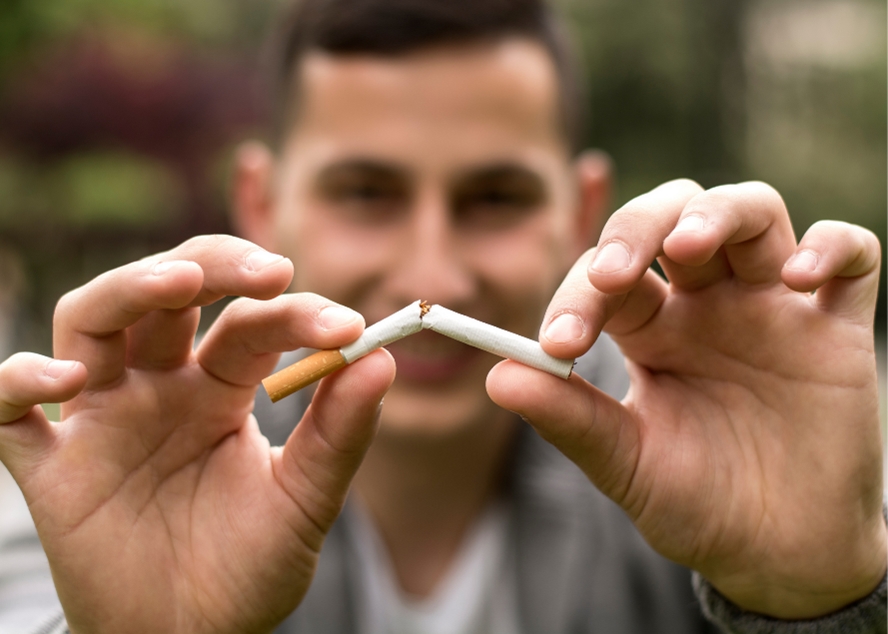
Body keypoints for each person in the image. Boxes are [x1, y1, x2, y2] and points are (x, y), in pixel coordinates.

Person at [0, 0, 885, 632]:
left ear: (583, 214)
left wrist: (814, 597)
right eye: (366, 193)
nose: (431, 274)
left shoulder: (710, 444)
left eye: (494, 197)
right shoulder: (105, 472)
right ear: (260, 206)